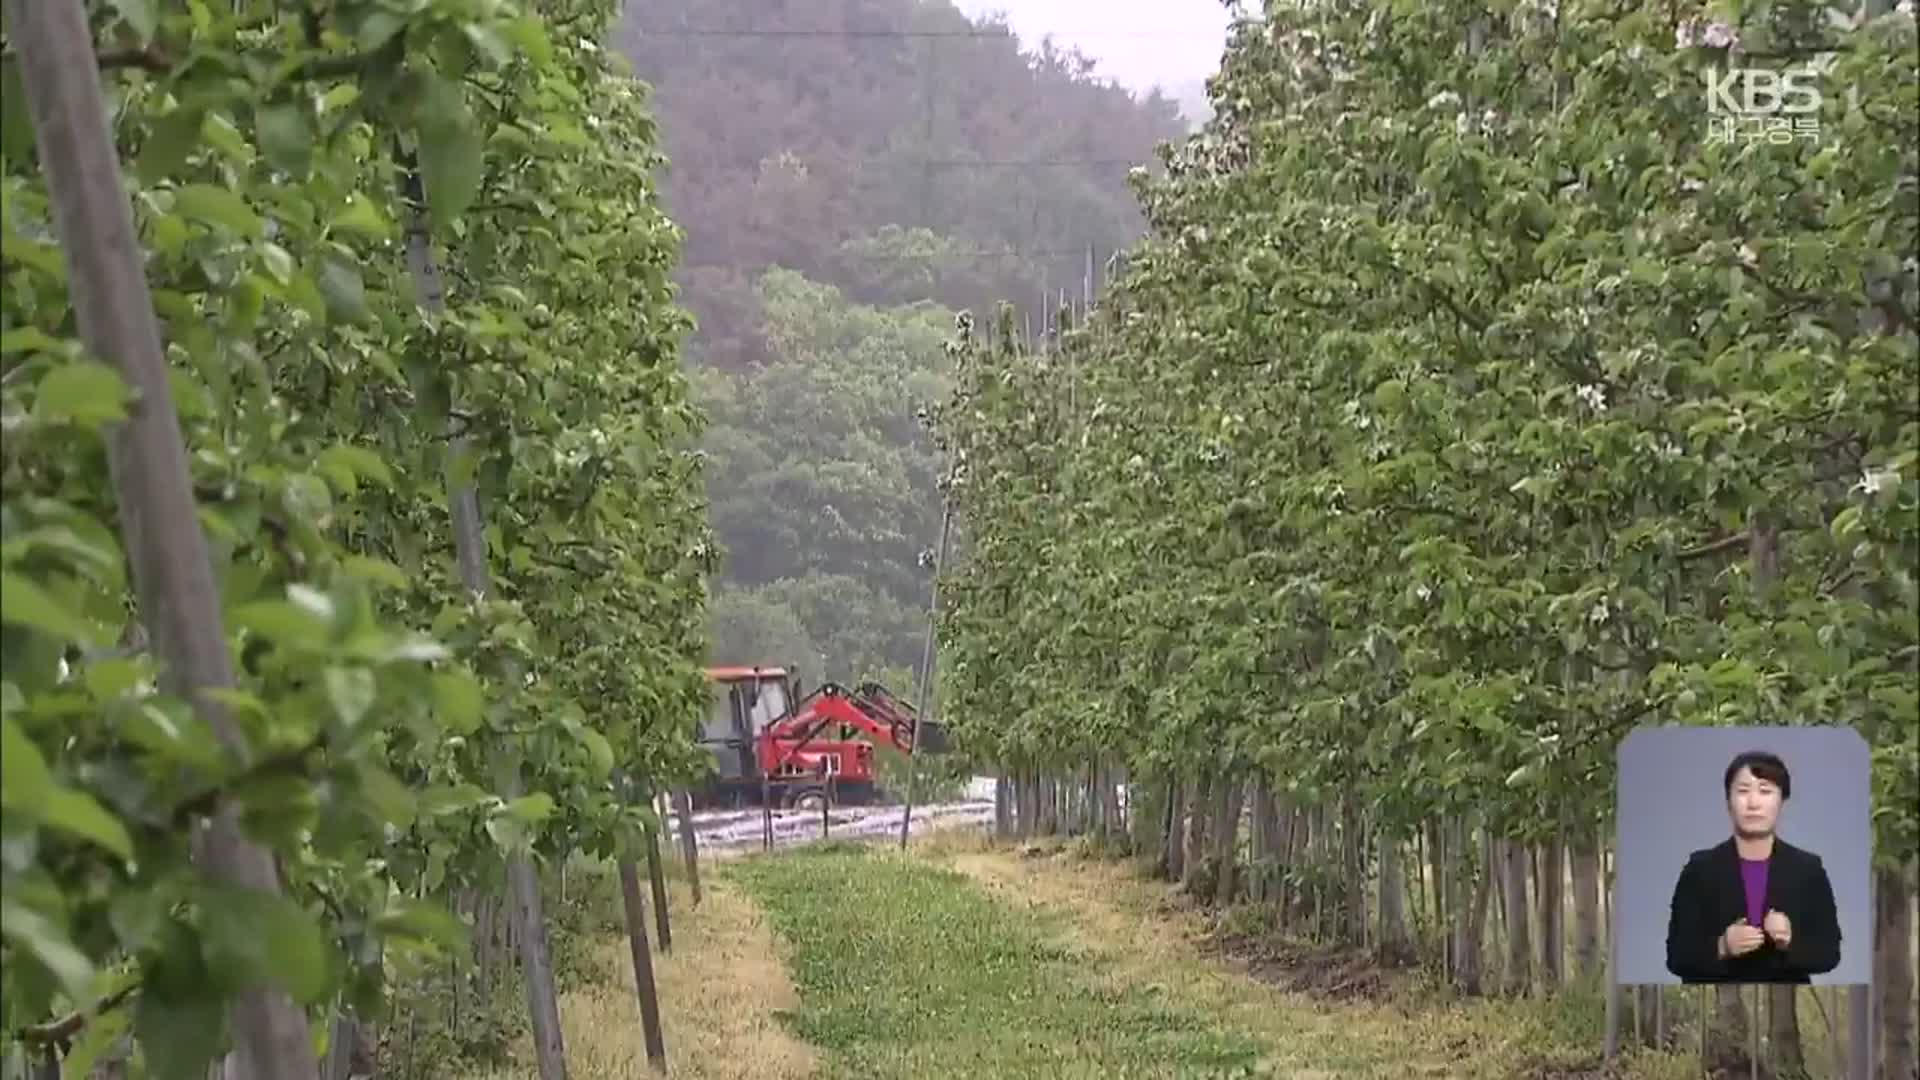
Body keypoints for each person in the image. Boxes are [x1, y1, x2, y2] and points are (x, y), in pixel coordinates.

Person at [1664, 750, 1842, 983]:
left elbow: (1829, 953)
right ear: (1728, 802)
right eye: (1743, 791)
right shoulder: (1699, 870)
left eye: (1765, 791)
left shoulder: (1808, 870)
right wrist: (1722, 946)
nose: (1753, 803)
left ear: (1782, 801)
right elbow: (1676, 956)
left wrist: (1790, 939)